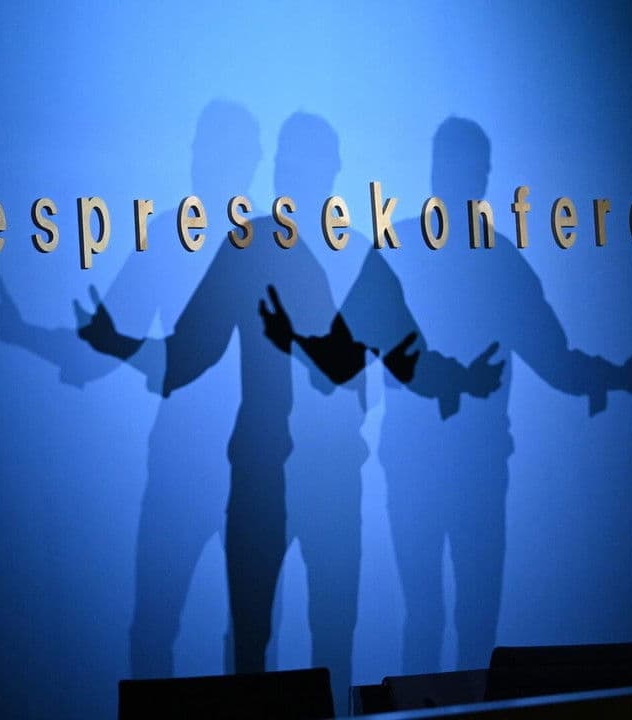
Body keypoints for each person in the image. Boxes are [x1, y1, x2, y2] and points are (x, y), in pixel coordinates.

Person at [262, 116, 632, 673]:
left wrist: (613, 377)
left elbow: (552, 357)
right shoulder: (447, 254)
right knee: (445, 619)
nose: (456, 178)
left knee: (453, 620)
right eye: (451, 166)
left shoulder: (457, 255)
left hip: (460, 465)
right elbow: (343, 354)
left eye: (463, 167)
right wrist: (615, 377)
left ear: (477, 176)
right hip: (434, 465)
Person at [79, 112, 396, 712]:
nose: (288, 175)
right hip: (263, 474)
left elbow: (377, 369)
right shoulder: (250, 247)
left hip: (318, 476)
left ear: (332, 171)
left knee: (324, 638)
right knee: (253, 643)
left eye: (302, 163)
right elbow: (191, 351)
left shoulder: (353, 254)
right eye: (284, 162)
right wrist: (118, 344)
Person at [0, 100, 255, 679]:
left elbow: (104, 349)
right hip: (203, 464)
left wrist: (25, 335)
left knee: (203, 630)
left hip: (235, 463)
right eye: (200, 146)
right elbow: (100, 349)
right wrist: (23, 334)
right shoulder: (183, 238)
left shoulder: (247, 244)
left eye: (213, 148)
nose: (200, 159)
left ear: (245, 163)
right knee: (179, 628)